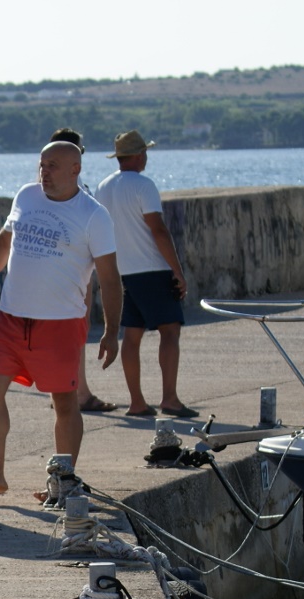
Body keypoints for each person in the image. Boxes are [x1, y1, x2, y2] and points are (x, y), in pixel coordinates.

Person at [0, 141, 122, 498]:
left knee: (65, 402)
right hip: (10, 318)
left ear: (75, 170)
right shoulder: (26, 196)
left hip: (60, 324)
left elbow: (111, 278)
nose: (44, 173)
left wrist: (111, 331)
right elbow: (4, 242)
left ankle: (63, 482)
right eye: (41, 165)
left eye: (53, 166)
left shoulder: (93, 215)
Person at [95, 131, 195, 418]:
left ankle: (136, 401)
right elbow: (158, 230)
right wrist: (177, 270)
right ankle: (170, 399)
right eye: (145, 153)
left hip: (122, 271)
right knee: (170, 331)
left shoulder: (103, 187)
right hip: (152, 268)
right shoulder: (143, 185)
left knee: (132, 335)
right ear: (139, 155)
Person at [49, 127, 118, 414]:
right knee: (75, 334)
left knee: (56, 337)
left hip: (50, 274)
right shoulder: (80, 196)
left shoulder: (38, 194)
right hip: (75, 275)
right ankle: (78, 393)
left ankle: (65, 391)